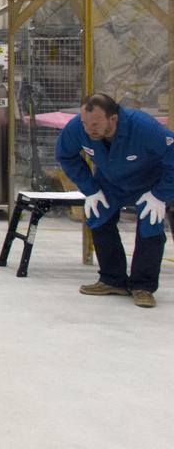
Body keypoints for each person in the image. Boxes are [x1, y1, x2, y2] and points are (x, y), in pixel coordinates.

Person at [54, 93, 173, 308]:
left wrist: (160, 195)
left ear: (113, 119)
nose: (90, 129)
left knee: (150, 225)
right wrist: (90, 189)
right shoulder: (78, 128)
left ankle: (142, 286)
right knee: (98, 217)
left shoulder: (144, 127)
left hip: (149, 183)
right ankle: (112, 279)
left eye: (96, 124)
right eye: (85, 123)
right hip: (110, 182)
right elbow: (66, 156)